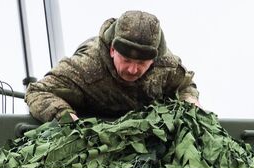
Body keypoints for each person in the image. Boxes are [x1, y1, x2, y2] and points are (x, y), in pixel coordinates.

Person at [25, 10, 200, 122]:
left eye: (141, 63)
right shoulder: (87, 66)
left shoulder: (166, 67)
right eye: (126, 60)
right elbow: (37, 91)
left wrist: (191, 104)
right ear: (112, 50)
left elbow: (185, 86)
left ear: (153, 61)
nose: (133, 70)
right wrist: (66, 119)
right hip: (90, 132)